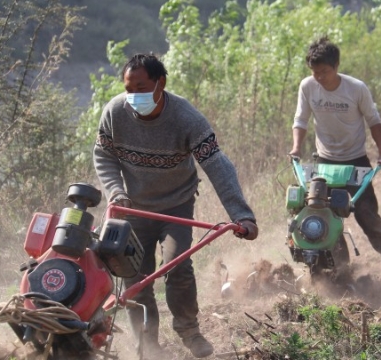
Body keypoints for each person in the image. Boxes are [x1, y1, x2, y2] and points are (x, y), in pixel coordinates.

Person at [93, 53, 258, 359]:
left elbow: (217, 165)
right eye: (128, 89)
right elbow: (103, 156)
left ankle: (189, 330)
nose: (133, 97)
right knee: (135, 279)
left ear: (161, 84)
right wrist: (115, 191)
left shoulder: (186, 118)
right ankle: (148, 345)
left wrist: (241, 215)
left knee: (178, 265)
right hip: (134, 208)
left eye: (141, 88)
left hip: (176, 206)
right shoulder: (115, 112)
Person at [289, 36, 381, 270]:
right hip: (324, 161)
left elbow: (374, 121)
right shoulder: (307, 86)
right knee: (319, 211)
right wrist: (297, 147)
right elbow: (301, 119)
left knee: (366, 213)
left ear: (336, 66)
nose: (319, 77)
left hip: (355, 161)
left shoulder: (356, 89)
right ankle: (338, 266)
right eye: (315, 72)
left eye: (325, 72)